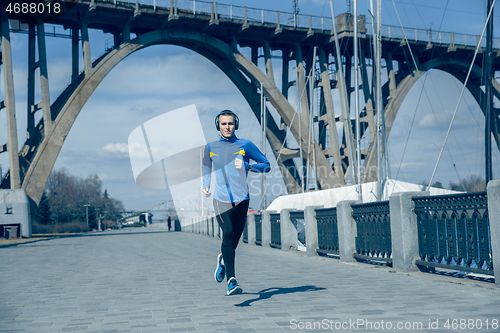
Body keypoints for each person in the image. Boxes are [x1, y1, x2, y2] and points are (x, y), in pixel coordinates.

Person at [202, 110, 270, 295]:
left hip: (242, 200)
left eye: (230, 123)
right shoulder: (211, 147)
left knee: (234, 241)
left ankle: (223, 261)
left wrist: (249, 165)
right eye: (224, 124)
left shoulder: (245, 145)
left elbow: (266, 165)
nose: (227, 127)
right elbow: (206, 166)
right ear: (218, 126)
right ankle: (232, 281)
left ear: (235, 125)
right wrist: (205, 185)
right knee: (229, 233)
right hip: (220, 199)